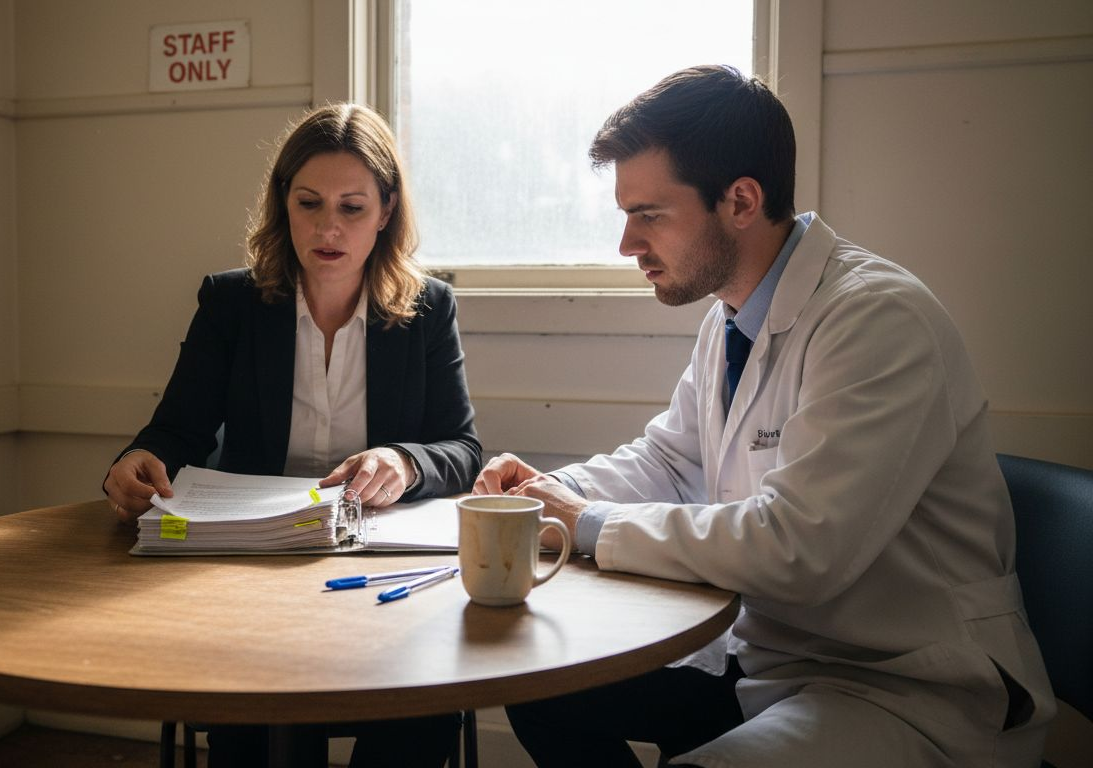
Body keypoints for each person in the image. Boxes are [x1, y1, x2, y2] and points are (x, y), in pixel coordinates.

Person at [475, 65, 1054, 768]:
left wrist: (588, 523)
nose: (627, 244)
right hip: (771, 660)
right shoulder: (731, 317)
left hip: (902, 682)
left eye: (649, 215)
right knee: (544, 689)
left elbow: (798, 547)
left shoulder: (877, 319)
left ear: (741, 201)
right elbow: (671, 459)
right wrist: (544, 495)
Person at [104, 103, 479, 768]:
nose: (328, 227)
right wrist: (136, 460)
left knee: (418, 712)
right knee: (261, 728)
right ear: (283, 204)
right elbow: (176, 429)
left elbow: (462, 449)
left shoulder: (428, 309)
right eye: (309, 203)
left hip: (378, 574)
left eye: (353, 207)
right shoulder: (232, 304)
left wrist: (405, 460)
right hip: (254, 570)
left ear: (387, 210)